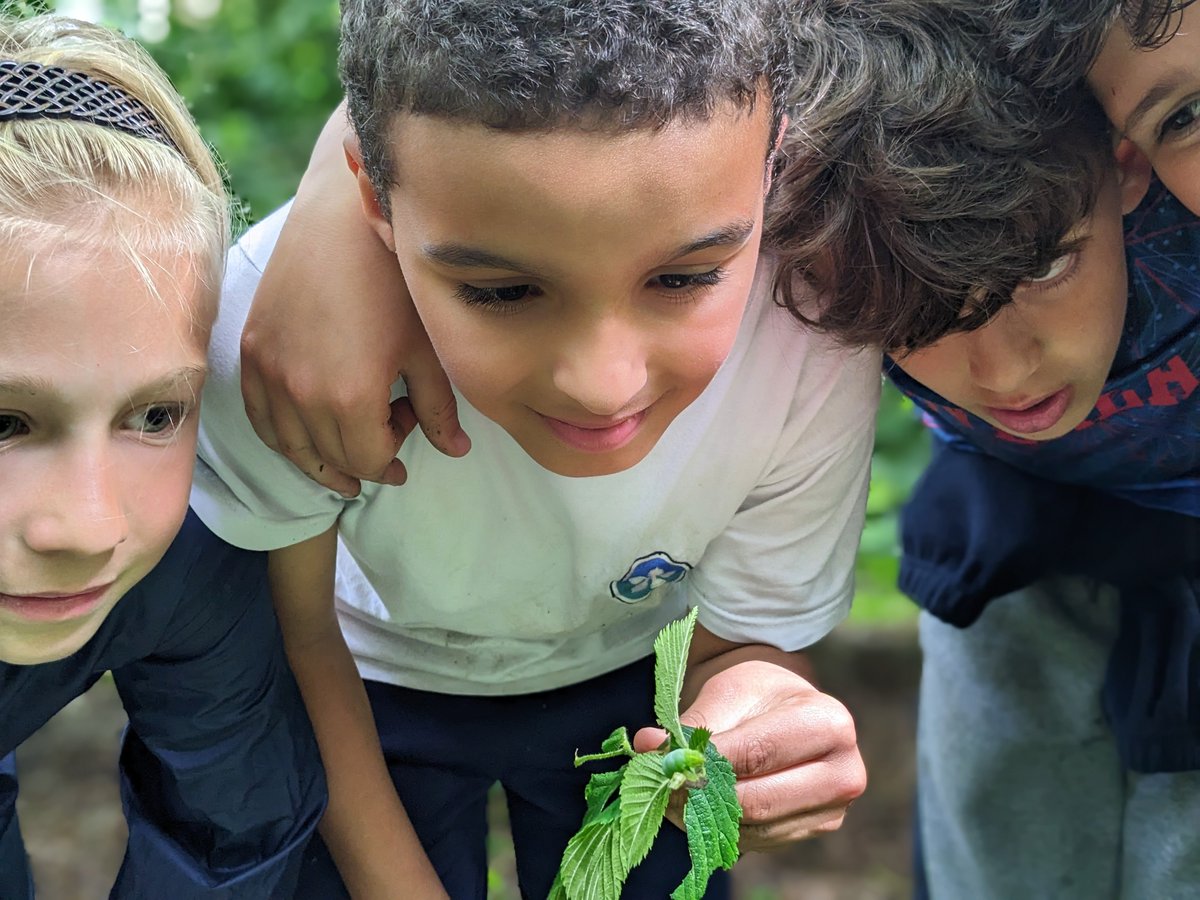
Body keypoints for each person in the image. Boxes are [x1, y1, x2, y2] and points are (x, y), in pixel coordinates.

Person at [189, 0, 876, 897]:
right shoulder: (278, 337)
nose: (603, 384)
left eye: (684, 277)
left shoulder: (815, 324)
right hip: (363, 682)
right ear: (370, 196)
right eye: (504, 291)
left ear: (773, 163)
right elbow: (295, 638)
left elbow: (741, 644)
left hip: (637, 681)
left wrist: (760, 704)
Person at [763, 1, 1198, 896]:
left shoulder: (1163, 158)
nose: (1004, 373)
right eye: (923, 316)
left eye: (1044, 268)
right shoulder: (815, 244)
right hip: (1013, 562)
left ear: (1123, 164)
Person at [0, 14, 325, 898]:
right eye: (4, 424)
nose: (88, 524)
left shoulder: (191, 561)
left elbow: (229, 834)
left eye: (154, 413)